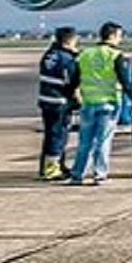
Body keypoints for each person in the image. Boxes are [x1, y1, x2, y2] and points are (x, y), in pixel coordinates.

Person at [67, 21, 132, 185]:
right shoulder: (115, 55)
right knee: (103, 141)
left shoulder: (85, 54)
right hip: (108, 103)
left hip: (88, 102)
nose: (120, 39)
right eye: (119, 36)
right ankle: (99, 174)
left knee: (84, 141)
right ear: (112, 36)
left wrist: (73, 96)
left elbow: (74, 79)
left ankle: (77, 174)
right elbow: (125, 80)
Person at [35, 27, 80, 181]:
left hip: (45, 99)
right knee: (57, 135)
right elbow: (72, 82)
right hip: (59, 101)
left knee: (50, 134)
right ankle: (51, 170)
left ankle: (51, 166)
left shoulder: (49, 54)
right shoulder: (67, 58)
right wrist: (77, 99)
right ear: (70, 40)